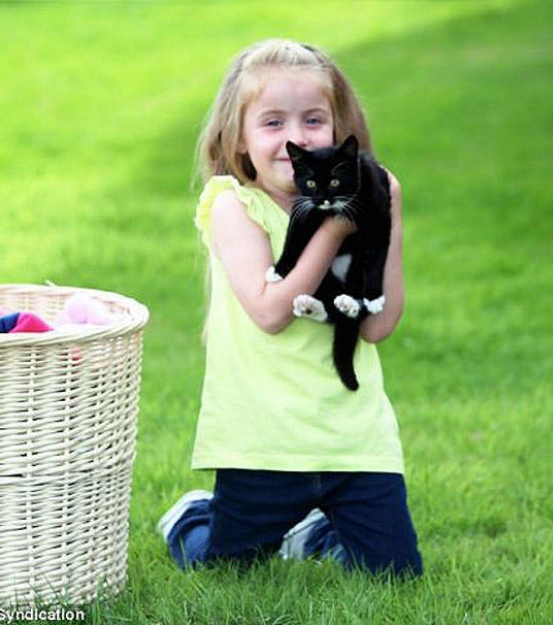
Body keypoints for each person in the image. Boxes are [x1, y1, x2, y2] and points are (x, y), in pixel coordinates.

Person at [157, 39, 422, 577]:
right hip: (263, 441)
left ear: (340, 132)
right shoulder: (234, 206)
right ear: (239, 138)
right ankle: (192, 519)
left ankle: (315, 533)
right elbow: (271, 312)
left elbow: (378, 325)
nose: (295, 138)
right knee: (224, 570)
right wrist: (335, 228)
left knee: (394, 575)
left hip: (353, 438)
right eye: (273, 122)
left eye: (313, 120)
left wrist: (385, 210)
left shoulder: (363, 199)